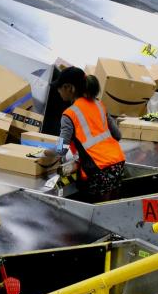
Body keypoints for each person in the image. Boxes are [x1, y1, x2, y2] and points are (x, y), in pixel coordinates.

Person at [45, 67, 126, 202]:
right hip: (117, 164)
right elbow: (117, 135)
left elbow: (60, 149)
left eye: (59, 88)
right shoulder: (99, 104)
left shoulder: (69, 114)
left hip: (99, 170)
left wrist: (45, 153)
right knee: (109, 207)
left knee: (96, 211)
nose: (58, 91)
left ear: (68, 88)